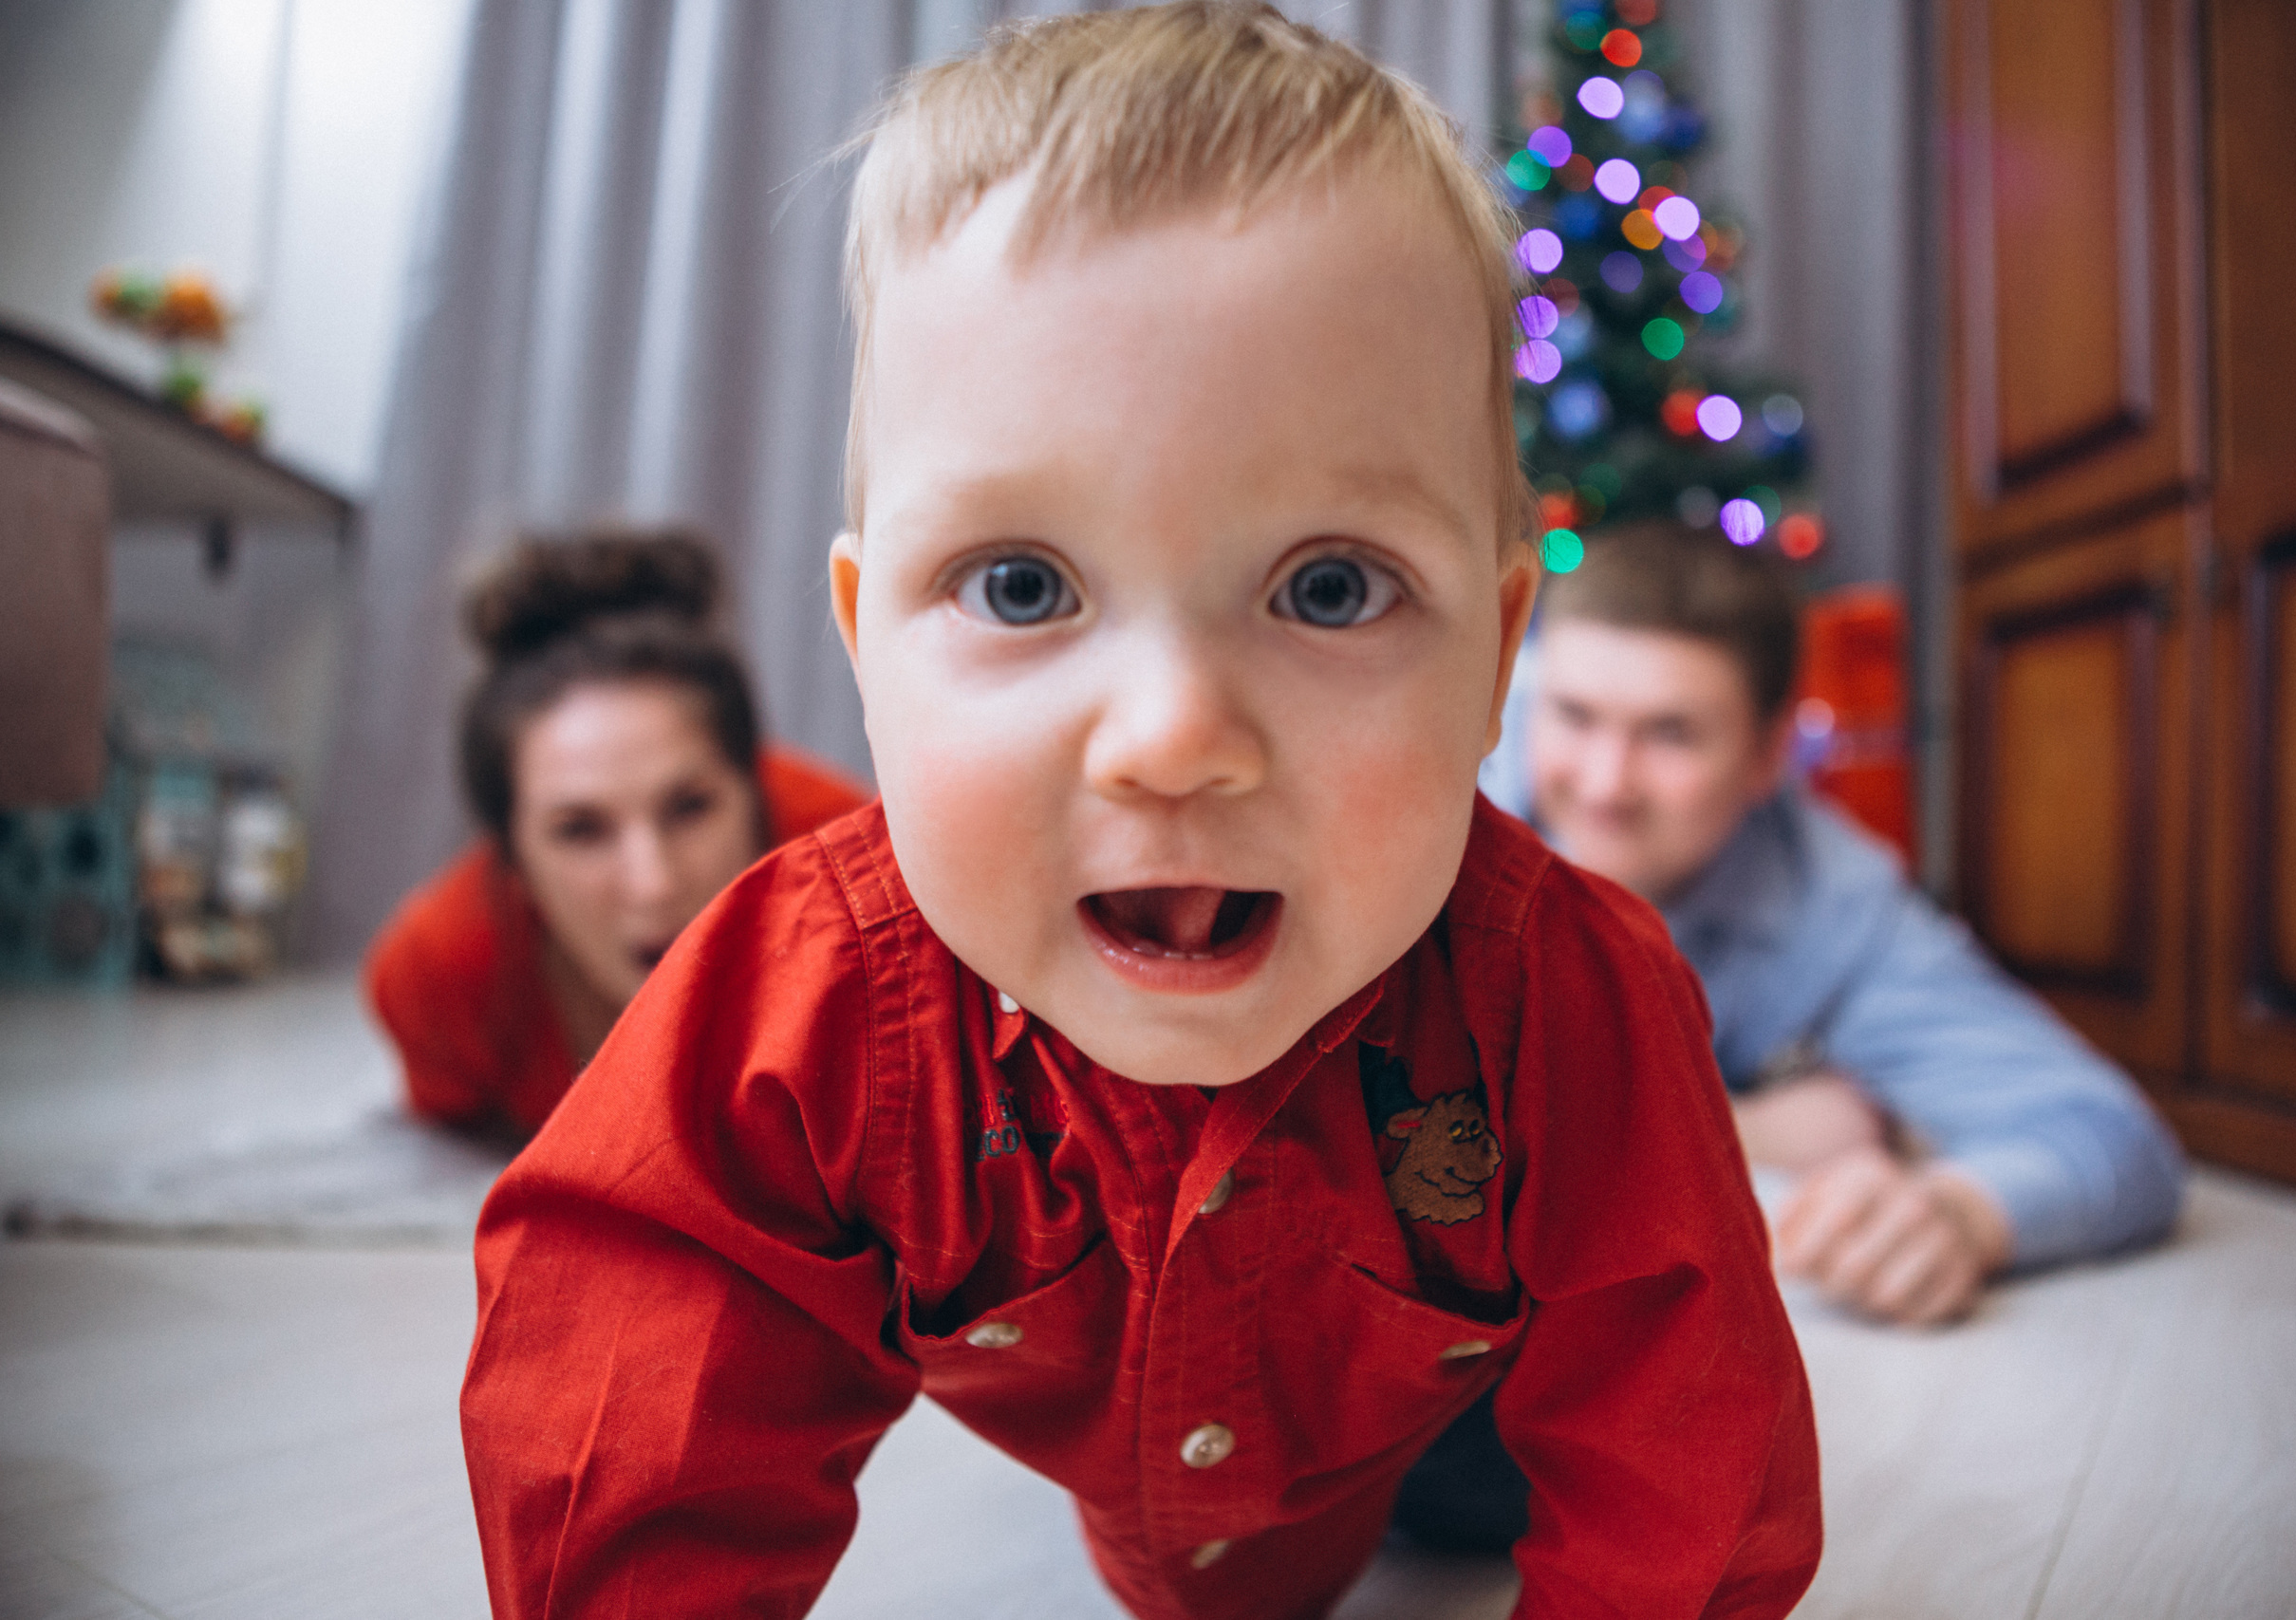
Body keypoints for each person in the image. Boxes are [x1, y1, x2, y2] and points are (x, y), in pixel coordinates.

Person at [457, 9, 1822, 1618]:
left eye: (1329, 587)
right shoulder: (799, 1005)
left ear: (1497, 657)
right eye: (1021, 584)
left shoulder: (1574, 1000)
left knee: (1467, 1510)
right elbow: (631, 1390)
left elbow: (1687, 1464)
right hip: (1123, 1452)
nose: (1173, 740)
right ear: (865, 647)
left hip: (1441, 1409)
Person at [1492, 522, 2187, 1324]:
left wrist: (1956, 1213)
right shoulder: (1446, 772)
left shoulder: (1837, 904)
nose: (1607, 783)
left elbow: (2119, 1140)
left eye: (1672, 733)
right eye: (1575, 716)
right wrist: (1738, 1127)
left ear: (1768, 759)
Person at [363, 530, 868, 1136]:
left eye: (689, 809)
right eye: (580, 831)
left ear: (757, 797)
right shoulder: (441, 978)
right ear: (513, 861)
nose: (653, 883)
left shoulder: (869, 885)